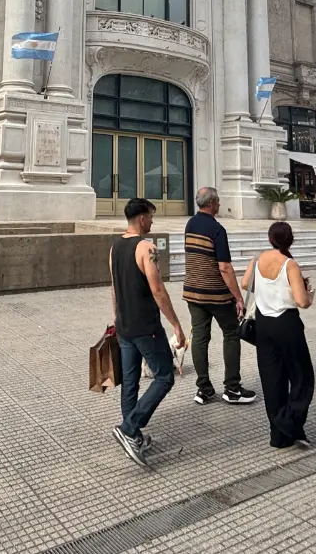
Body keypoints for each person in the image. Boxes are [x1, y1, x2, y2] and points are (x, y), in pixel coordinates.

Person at [110, 197, 186, 466]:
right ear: (142, 218)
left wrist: (117, 317)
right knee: (165, 377)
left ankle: (133, 434)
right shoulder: (146, 248)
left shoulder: (115, 245)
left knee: (130, 381)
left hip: (125, 326)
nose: (153, 221)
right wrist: (176, 324)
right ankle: (130, 427)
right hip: (146, 326)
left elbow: (114, 287)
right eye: (151, 216)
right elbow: (158, 290)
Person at [243, 221, 315, 448]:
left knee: (272, 379)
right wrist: (309, 295)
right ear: (290, 239)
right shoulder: (290, 264)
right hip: (286, 323)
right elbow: (302, 301)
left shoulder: (257, 259)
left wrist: (268, 291)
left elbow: (246, 284)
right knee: (302, 377)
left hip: (263, 324)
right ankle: (289, 423)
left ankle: (279, 436)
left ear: (270, 238)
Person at [182, 187, 256, 405]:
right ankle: (232, 388)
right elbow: (224, 267)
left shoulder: (190, 224)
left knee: (200, 338)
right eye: (219, 201)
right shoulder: (216, 229)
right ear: (212, 203)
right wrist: (238, 297)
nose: (220, 204)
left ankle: (204, 389)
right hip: (216, 294)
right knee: (231, 334)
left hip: (193, 292)